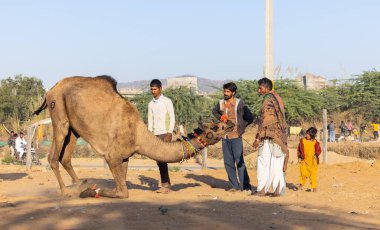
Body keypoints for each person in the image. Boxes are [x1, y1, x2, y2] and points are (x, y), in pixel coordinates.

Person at [212, 82, 254, 192]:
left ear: (233, 92)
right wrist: (221, 117)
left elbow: (250, 117)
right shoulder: (221, 103)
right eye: (224, 91)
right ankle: (234, 186)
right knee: (228, 162)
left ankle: (245, 186)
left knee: (239, 162)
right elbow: (214, 111)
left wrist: (242, 127)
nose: (225, 93)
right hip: (225, 138)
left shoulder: (240, 104)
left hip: (236, 137)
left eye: (228, 91)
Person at [252, 77, 289, 197]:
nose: (259, 91)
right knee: (277, 163)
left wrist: (258, 137)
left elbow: (265, 119)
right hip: (280, 136)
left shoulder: (267, 99)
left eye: (260, 88)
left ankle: (262, 189)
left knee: (263, 162)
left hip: (268, 136)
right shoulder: (278, 98)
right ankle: (277, 190)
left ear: (266, 88)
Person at [148, 79, 175, 193]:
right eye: (152, 89)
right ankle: (166, 184)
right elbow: (150, 120)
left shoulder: (167, 101)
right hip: (155, 135)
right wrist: (149, 135)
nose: (153, 91)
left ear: (160, 88)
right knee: (159, 161)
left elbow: (172, 117)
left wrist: (169, 132)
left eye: (155, 89)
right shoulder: (150, 104)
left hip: (165, 133)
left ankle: (165, 184)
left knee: (162, 159)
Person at [297, 127, 321, 192]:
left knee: (313, 174)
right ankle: (301, 185)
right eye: (306, 133)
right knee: (303, 173)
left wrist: (316, 155)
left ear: (312, 135)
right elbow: (299, 150)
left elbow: (319, 150)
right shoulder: (302, 141)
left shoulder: (316, 142)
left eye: (308, 134)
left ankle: (314, 187)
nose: (306, 135)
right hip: (304, 160)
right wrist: (299, 157)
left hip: (313, 161)